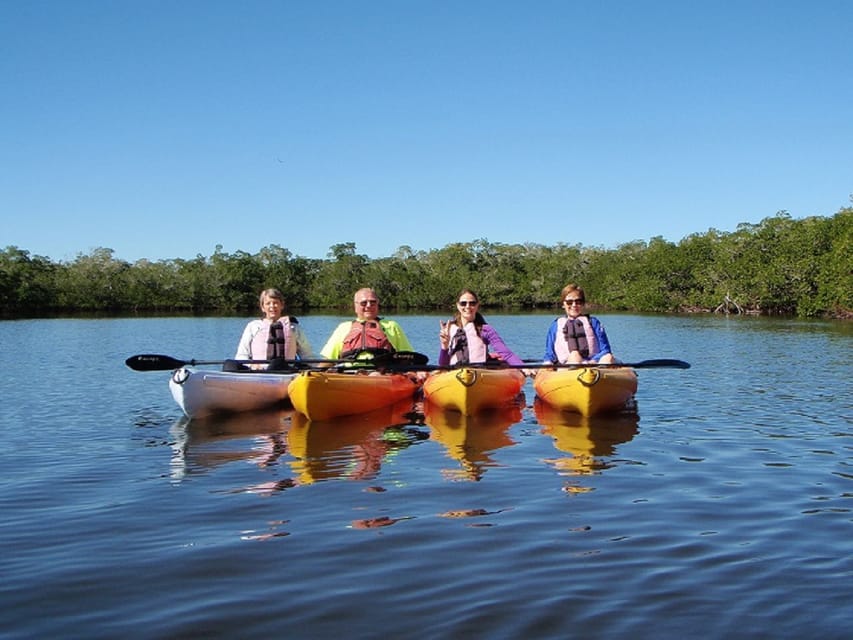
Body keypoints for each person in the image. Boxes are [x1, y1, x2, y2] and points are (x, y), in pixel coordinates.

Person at [320, 287, 414, 360]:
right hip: (350, 375)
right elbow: (329, 359)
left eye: (373, 302)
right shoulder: (344, 328)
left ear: (377, 304)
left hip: (383, 373)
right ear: (355, 306)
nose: (369, 306)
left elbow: (407, 356)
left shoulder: (392, 326)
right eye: (364, 303)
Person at [438, 289, 524, 366]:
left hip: (479, 374)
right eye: (463, 303)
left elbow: (506, 353)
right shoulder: (449, 329)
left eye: (472, 303)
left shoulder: (485, 330)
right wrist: (444, 346)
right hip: (454, 375)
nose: (467, 306)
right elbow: (443, 365)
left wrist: (523, 368)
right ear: (458, 305)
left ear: (477, 305)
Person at [234, 288, 313, 366]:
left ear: (282, 305)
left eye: (275, 303)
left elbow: (307, 355)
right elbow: (241, 355)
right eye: (268, 303)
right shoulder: (253, 327)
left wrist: (321, 365)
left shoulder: (294, 328)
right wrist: (251, 366)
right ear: (263, 307)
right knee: (229, 364)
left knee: (277, 364)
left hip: (287, 371)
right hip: (260, 372)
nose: (272, 306)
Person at [542, 283, 616, 365]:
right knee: (575, 356)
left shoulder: (594, 323)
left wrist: (592, 362)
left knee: (608, 357)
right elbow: (549, 353)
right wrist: (547, 364)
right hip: (566, 367)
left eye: (578, 302)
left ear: (583, 303)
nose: (574, 305)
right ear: (563, 304)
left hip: (593, 365)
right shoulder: (556, 325)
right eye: (569, 302)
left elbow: (605, 350)